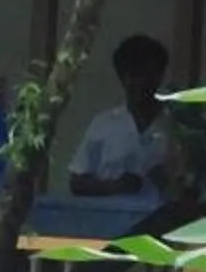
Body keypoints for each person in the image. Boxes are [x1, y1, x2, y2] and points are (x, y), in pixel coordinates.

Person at [69, 33, 171, 204]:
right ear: (122, 78)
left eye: (146, 74)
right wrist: (114, 187)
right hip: (109, 222)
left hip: (163, 223)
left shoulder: (174, 124)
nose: (140, 82)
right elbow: (77, 182)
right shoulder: (104, 123)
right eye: (133, 75)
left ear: (159, 76)